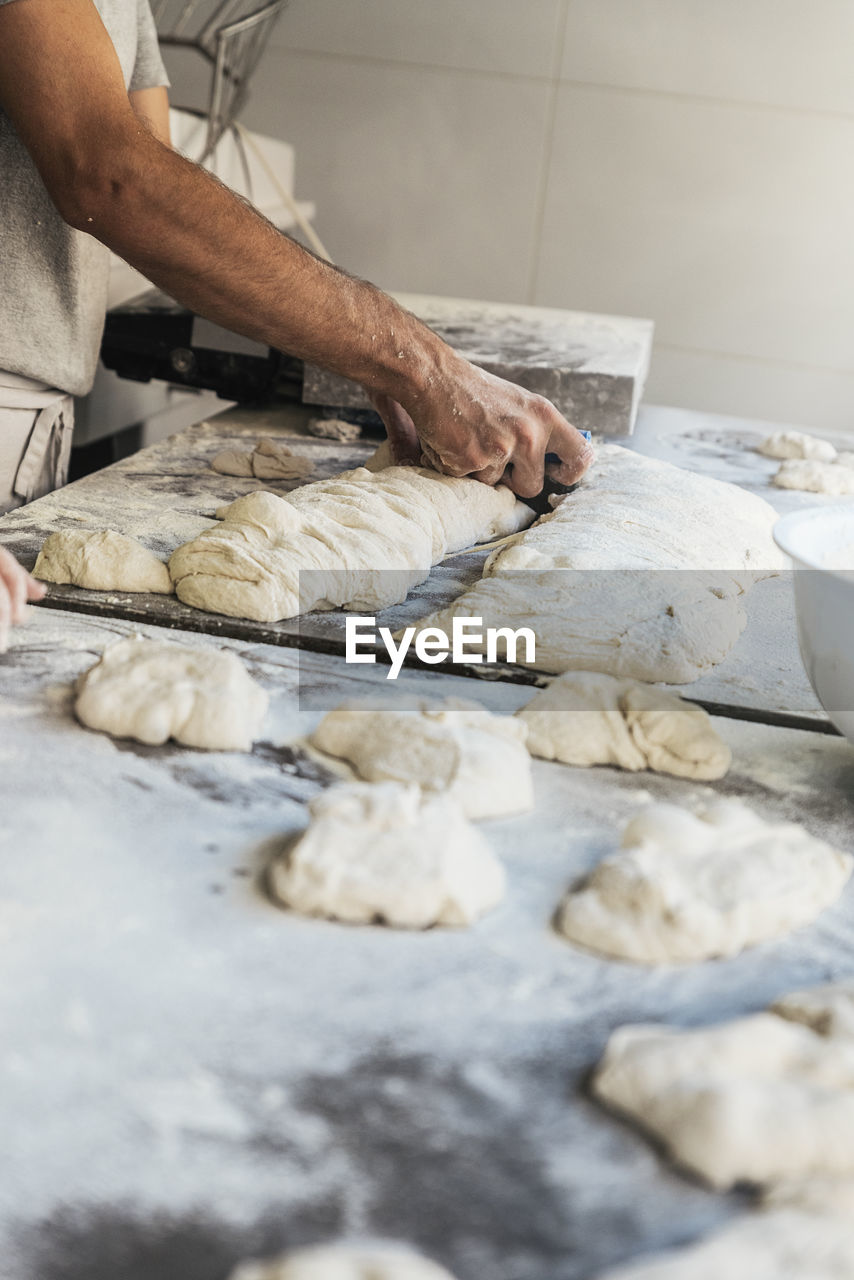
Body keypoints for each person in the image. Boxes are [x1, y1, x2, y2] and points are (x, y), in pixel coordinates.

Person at [0, 0, 593, 633]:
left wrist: (362, 348)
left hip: (36, 421)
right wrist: (419, 366)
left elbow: (154, 216)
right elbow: (110, 177)